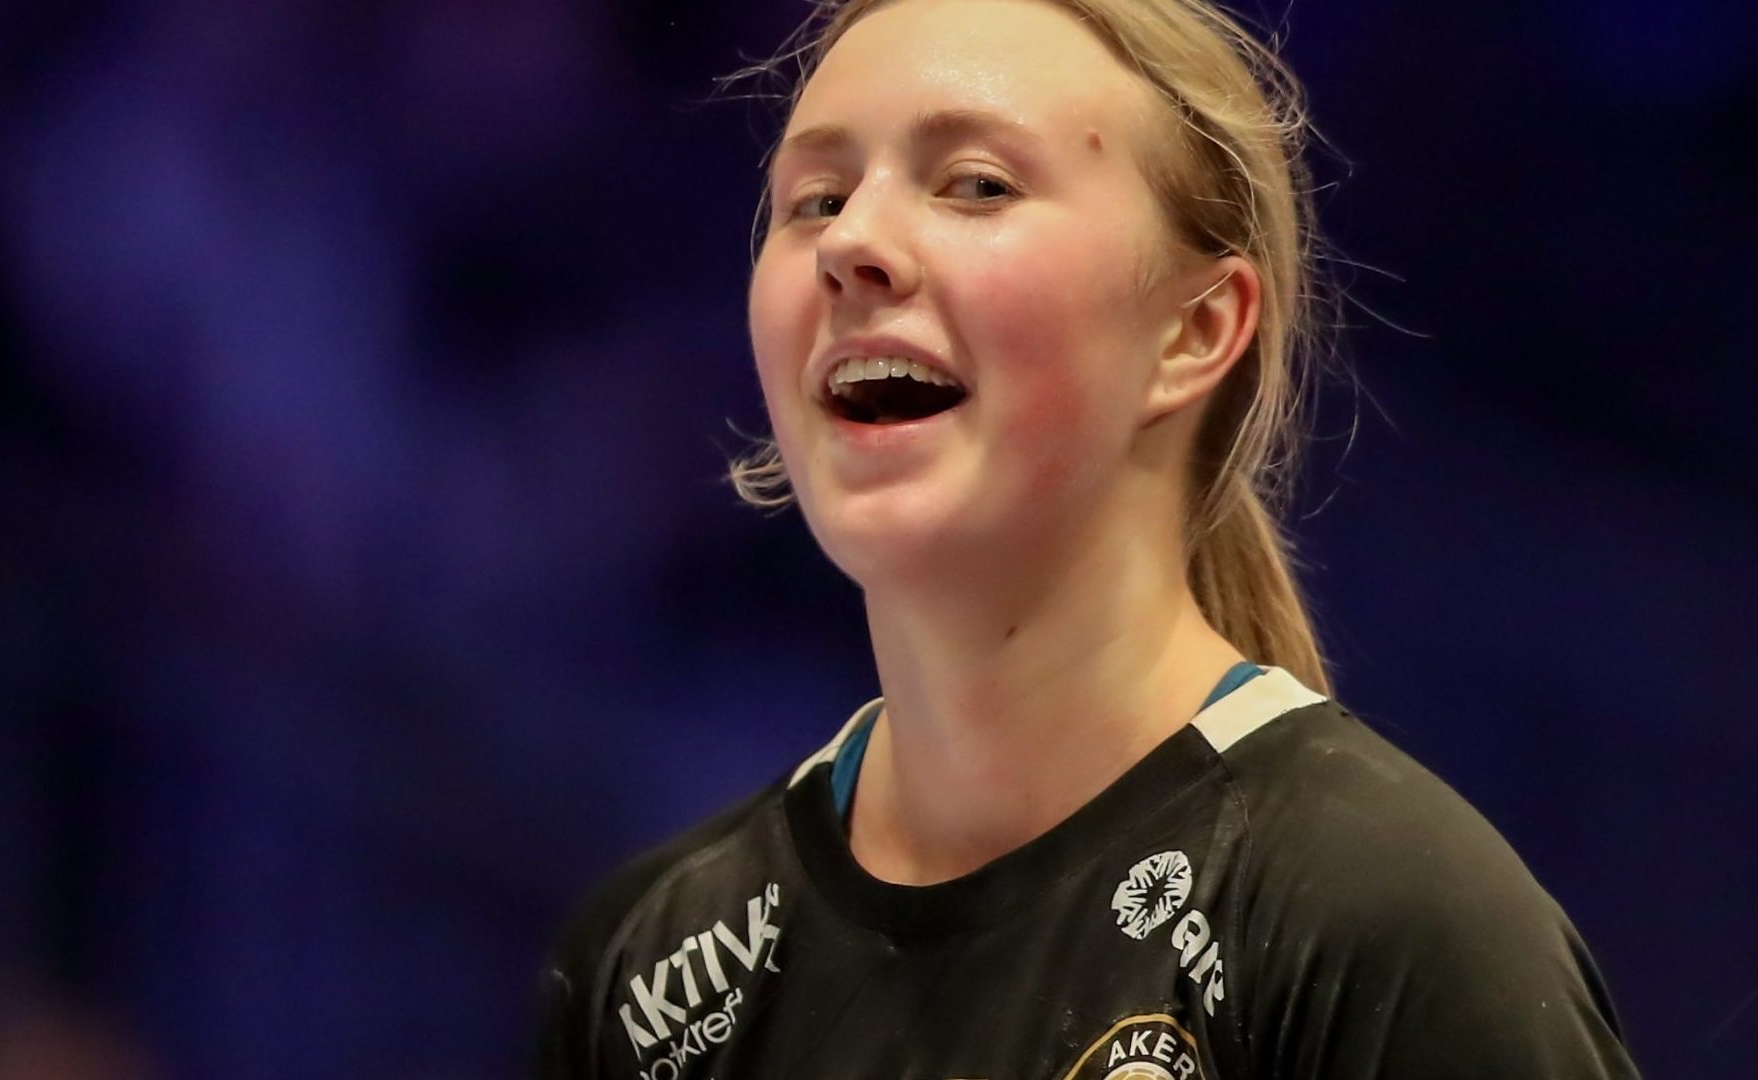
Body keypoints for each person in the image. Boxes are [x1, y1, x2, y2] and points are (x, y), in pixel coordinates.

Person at [535, 0, 1642, 1076]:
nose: (852, 242)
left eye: (977, 184)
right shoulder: (650, 972)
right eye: (815, 200)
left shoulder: (1386, 925)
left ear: (1194, 330)